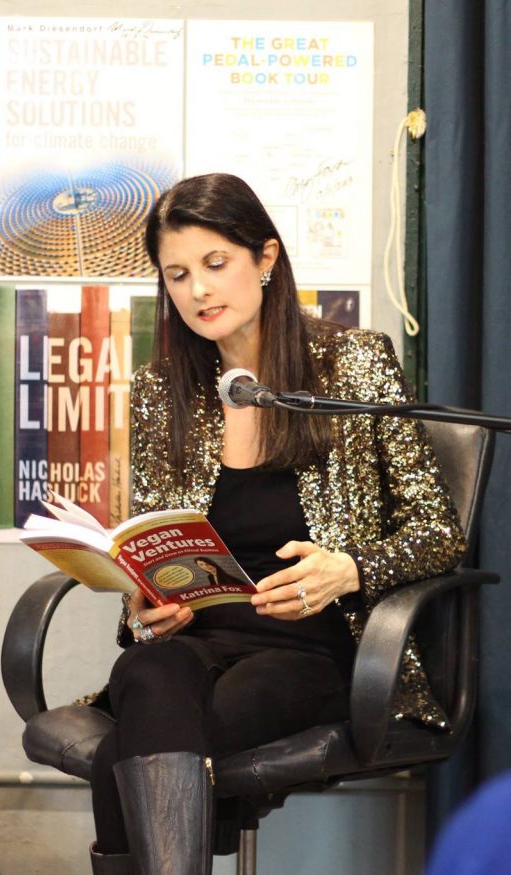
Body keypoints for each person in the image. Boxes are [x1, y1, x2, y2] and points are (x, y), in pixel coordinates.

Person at [86, 173, 466, 875]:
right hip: (201, 640)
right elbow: (154, 540)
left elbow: (439, 530)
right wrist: (145, 602)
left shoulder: (353, 364)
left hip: (315, 648)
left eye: (215, 263)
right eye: (177, 274)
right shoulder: (158, 392)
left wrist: (348, 569)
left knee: (125, 750)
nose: (197, 290)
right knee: (149, 664)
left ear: (265, 258)